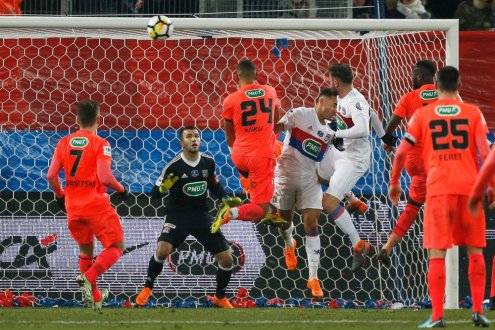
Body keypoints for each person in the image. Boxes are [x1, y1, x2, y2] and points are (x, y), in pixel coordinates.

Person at [389, 66, 490, 328]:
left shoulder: (422, 114)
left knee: (437, 253)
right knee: (475, 250)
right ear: (458, 83)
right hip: (469, 190)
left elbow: (400, 153)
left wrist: (395, 182)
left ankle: (437, 316)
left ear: (437, 83)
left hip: (438, 190)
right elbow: (485, 153)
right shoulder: (472, 113)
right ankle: (478, 311)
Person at [135, 126, 241, 309]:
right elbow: (155, 194)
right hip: (177, 215)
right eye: (189, 136)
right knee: (162, 250)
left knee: (227, 259)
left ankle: (220, 297)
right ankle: (147, 288)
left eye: (197, 136)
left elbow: (214, 185)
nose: (194, 139)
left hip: (201, 215)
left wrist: (225, 199)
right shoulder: (173, 166)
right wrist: (163, 188)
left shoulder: (208, 162)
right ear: (181, 143)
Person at [46, 100, 128, 311]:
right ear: (98, 118)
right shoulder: (101, 144)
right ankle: (88, 278)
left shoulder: (63, 142)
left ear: (76, 119)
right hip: (96, 205)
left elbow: (51, 176)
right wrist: (121, 189)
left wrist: (60, 195)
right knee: (116, 247)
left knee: (86, 250)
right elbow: (105, 176)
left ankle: (92, 298)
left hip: (73, 206)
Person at [316, 63, 386, 273]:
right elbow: (372, 114)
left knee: (328, 202)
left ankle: (359, 245)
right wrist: (385, 136)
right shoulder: (347, 99)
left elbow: (364, 129)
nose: (329, 83)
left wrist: (336, 134)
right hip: (340, 153)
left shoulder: (354, 101)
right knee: (315, 173)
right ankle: (353, 200)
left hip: (354, 159)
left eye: (330, 80)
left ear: (336, 82)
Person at [270, 88, 338, 297]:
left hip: (310, 179)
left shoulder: (331, 132)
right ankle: (289, 244)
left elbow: (325, 160)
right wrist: (274, 112)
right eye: (333, 105)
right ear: (320, 101)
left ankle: (313, 278)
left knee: (312, 223)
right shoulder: (299, 114)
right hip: (285, 175)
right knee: (284, 221)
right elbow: (276, 128)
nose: (335, 110)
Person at [377, 60, 438, 267]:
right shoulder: (447, 96)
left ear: (419, 76)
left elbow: (392, 125)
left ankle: (388, 246)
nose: (410, 79)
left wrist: (387, 141)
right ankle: (436, 257)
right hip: (439, 160)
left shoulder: (409, 97)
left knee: (412, 206)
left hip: (415, 161)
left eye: (413, 75)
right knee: (437, 209)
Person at [211, 59, 281, 234]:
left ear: (236, 77)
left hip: (239, 155)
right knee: (260, 208)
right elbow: (277, 122)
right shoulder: (270, 92)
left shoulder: (230, 100)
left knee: (260, 183)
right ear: (256, 74)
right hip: (261, 155)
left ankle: (273, 211)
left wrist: (235, 153)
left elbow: (229, 135)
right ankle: (232, 213)